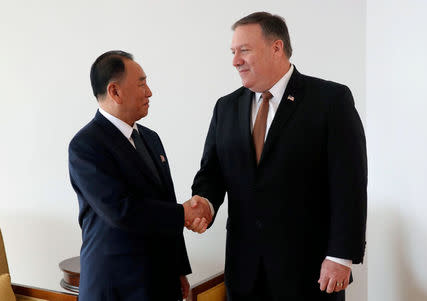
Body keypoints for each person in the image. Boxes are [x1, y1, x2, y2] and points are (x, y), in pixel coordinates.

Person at [188, 12, 367, 301]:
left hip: (309, 271)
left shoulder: (330, 100)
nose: (235, 60)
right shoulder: (226, 108)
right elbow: (212, 173)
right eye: (233, 52)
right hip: (244, 271)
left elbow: (350, 184)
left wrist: (341, 256)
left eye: (244, 50)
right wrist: (205, 203)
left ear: (276, 48)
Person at [68, 50, 211, 301]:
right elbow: (121, 210)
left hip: (159, 282)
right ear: (115, 91)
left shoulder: (150, 138)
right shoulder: (86, 145)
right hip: (116, 286)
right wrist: (184, 213)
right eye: (142, 83)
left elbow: (166, 200)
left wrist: (179, 268)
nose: (150, 92)